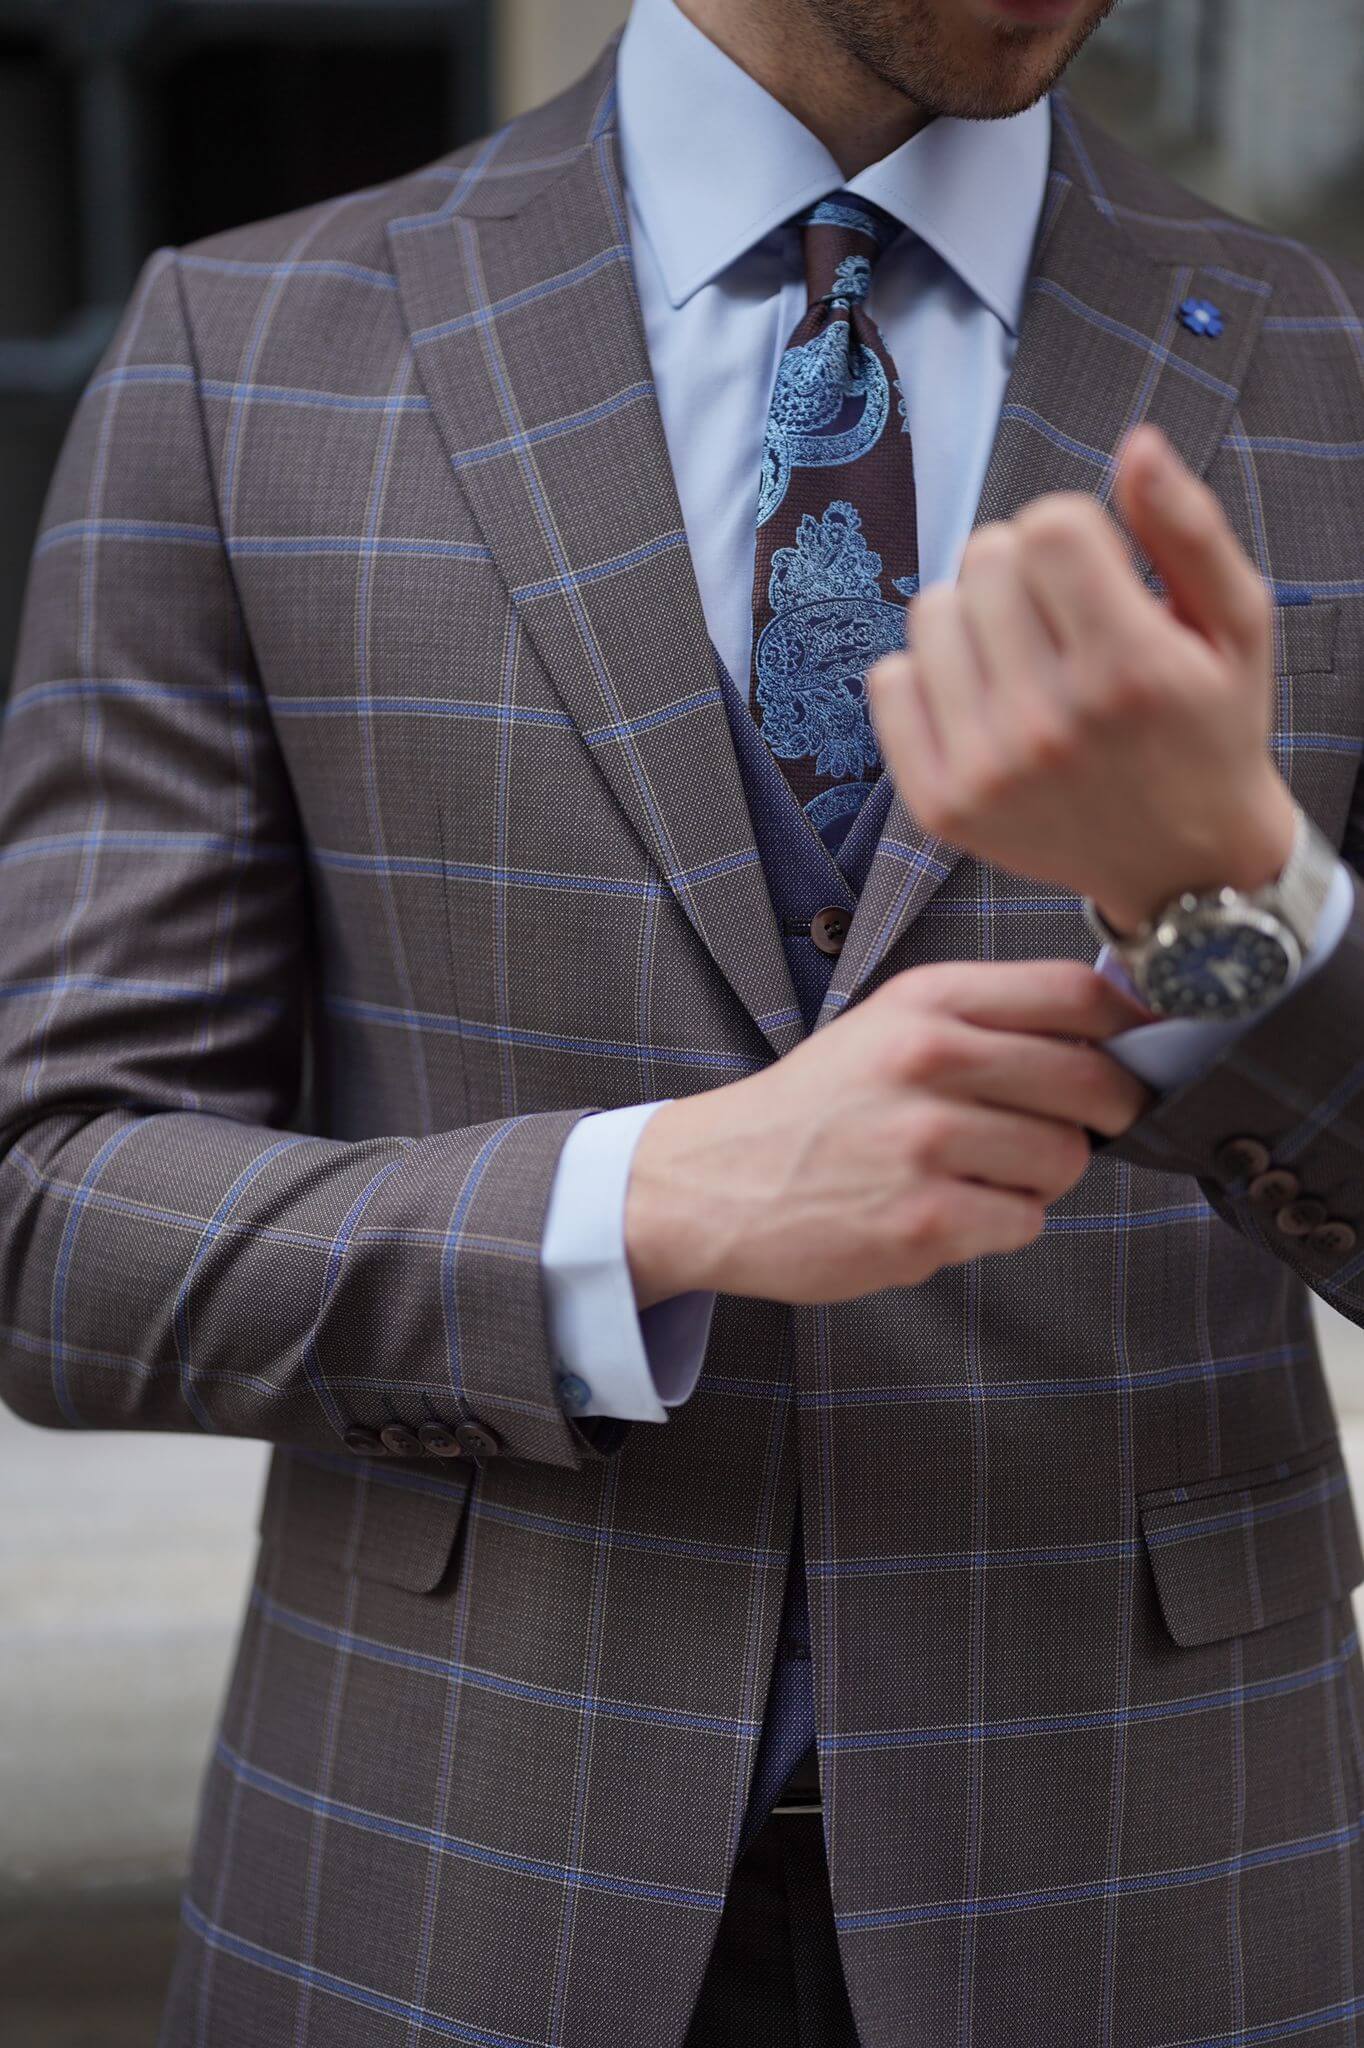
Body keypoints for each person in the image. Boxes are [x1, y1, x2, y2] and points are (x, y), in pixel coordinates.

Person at [0, 0, 1361, 2039]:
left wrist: (1233, 913)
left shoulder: (1330, 371)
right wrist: (637, 1206)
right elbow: (50, 1215)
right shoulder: (249, 350)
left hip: (1156, 1883)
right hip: (445, 1872)